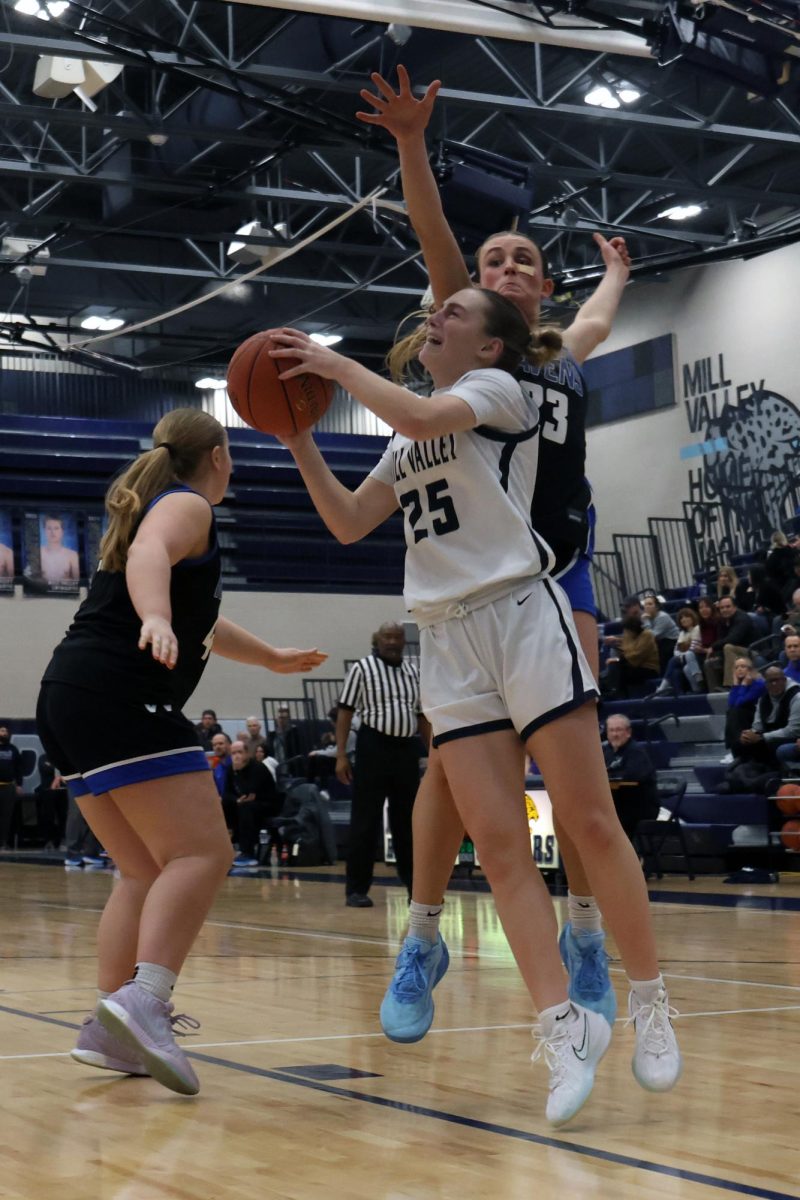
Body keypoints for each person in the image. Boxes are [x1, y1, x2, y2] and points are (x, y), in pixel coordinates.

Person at [268, 283, 681, 1125]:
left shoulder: (496, 392)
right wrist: (298, 438)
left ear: (490, 344)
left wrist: (335, 364)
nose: (436, 317)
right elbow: (349, 522)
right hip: (448, 642)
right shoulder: (411, 423)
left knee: (591, 824)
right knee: (495, 852)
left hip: (523, 615)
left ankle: (650, 1003)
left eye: (455, 312)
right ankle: (561, 1028)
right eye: (436, 308)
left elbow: (422, 421)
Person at [355, 64, 637, 1026]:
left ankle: (589, 937)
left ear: (542, 288)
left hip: (567, 573)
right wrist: (410, 145)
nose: (507, 269)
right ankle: (423, 934)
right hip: (476, 586)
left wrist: (617, 272)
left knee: (576, 770)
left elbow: (597, 316)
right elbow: (435, 235)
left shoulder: (564, 353)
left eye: (525, 261)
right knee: (450, 767)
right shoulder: (472, 348)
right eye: (494, 262)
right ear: (474, 290)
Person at [35, 407, 327, 1096]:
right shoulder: (187, 504)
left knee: (140, 870)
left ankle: (112, 1026)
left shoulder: (165, 510)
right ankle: (144, 999)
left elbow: (208, 622)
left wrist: (269, 657)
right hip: (119, 695)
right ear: (220, 455)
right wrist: (157, 616)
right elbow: (148, 560)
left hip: (68, 697)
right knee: (204, 852)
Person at [336, 621, 426, 907]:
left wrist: (434, 753)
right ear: (377, 640)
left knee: (408, 824)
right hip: (373, 747)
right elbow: (345, 712)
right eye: (387, 636)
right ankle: (356, 889)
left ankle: (416, 890)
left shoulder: (413, 672)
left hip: (406, 751)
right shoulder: (362, 669)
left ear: (403, 641)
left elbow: (422, 715)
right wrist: (340, 754)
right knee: (365, 820)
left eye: (397, 637)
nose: (392, 641)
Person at [602, 715, 658, 844]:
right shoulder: (605, 752)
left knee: (608, 819)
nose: (615, 734)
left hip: (640, 806)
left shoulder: (636, 751)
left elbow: (633, 776)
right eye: (611, 730)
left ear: (628, 732)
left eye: (618, 730)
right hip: (618, 805)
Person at [229, 739, 282, 867]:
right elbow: (227, 793)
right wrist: (234, 800)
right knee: (225, 805)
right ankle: (227, 847)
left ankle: (248, 852)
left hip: (267, 805)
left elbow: (251, 793)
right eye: (233, 753)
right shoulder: (231, 768)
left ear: (247, 753)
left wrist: (238, 773)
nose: (236, 756)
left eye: (240, 752)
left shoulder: (257, 768)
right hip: (247, 803)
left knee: (245, 807)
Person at [740, 667, 800, 772]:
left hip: (793, 738)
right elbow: (757, 726)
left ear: (784, 680)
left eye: (777, 680)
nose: (774, 684)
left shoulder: (797, 697)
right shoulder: (763, 699)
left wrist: (762, 737)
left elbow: (793, 730)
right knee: (743, 743)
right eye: (770, 681)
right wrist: (749, 735)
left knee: (779, 749)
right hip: (771, 736)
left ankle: (775, 774)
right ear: (765, 683)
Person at [704, 595, 755, 691]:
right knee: (709, 663)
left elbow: (733, 639)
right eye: (722, 608)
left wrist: (713, 647)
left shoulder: (742, 618)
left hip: (751, 650)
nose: (724, 610)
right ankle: (714, 693)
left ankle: (730, 685)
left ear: (735, 607)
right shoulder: (722, 621)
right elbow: (720, 639)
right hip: (733, 653)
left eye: (728, 607)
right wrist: (716, 654)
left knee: (728, 647)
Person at [604, 613, 659, 698]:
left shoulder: (647, 635)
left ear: (633, 628)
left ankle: (618, 695)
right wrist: (616, 640)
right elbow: (628, 645)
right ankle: (615, 693)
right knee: (616, 668)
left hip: (648, 668)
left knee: (619, 671)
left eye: (627, 630)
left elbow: (637, 654)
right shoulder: (629, 635)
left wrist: (618, 660)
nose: (626, 632)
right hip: (633, 666)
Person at [722, 657, 765, 762]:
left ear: (750, 669)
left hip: (758, 716)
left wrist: (744, 685)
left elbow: (740, 703)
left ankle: (735, 749)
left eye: (743, 666)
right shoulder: (739, 685)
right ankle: (736, 748)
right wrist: (736, 685)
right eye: (737, 667)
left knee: (736, 712)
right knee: (732, 712)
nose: (739, 669)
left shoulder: (759, 684)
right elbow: (731, 703)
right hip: (744, 717)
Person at [655, 606, 704, 696]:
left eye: (686, 616)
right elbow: (676, 650)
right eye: (681, 618)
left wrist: (682, 655)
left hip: (695, 657)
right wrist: (681, 655)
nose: (683, 619)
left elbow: (693, 647)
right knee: (677, 670)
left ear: (692, 617)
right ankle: (682, 693)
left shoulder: (697, 629)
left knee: (674, 660)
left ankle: (663, 687)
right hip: (684, 659)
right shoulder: (681, 633)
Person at [641, 593, 679, 673]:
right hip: (661, 641)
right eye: (645, 604)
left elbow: (652, 636)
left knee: (660, 650)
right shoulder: (646, 617)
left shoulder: (662, 616)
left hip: (673, 642)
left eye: (650, 604)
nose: (647, 606)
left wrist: (646, 621)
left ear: (657, 606)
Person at [0, 723, 24, 850]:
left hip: (8, 787)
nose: (4, 733)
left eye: (5, 731)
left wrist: (19, 784)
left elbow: (19, 768)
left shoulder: (13, 749)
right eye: (1, 731)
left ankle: (4, 842)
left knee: (6, 816)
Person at [39, 514, 80, 584]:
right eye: (49, 528)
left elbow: (78, 583)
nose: (52, 532)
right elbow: (31, 582)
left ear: (62, 531)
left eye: (56, 528)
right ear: (45, 531)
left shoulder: (72, 555)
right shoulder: (37, 552)